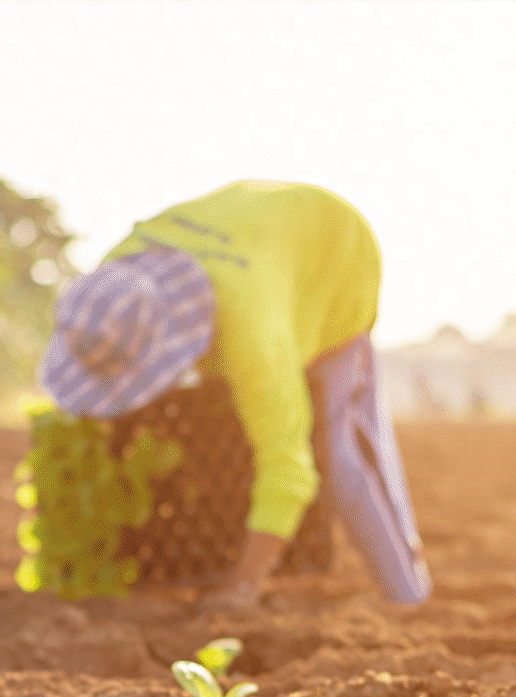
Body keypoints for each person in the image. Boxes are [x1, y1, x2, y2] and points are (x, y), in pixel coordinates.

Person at [39, 180, 430, 613]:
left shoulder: (256, 338)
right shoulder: (113, 285)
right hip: (253, 237)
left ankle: (407, 594)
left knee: (338, 452)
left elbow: (288, 467)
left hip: (336, 255)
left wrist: (242, 587)